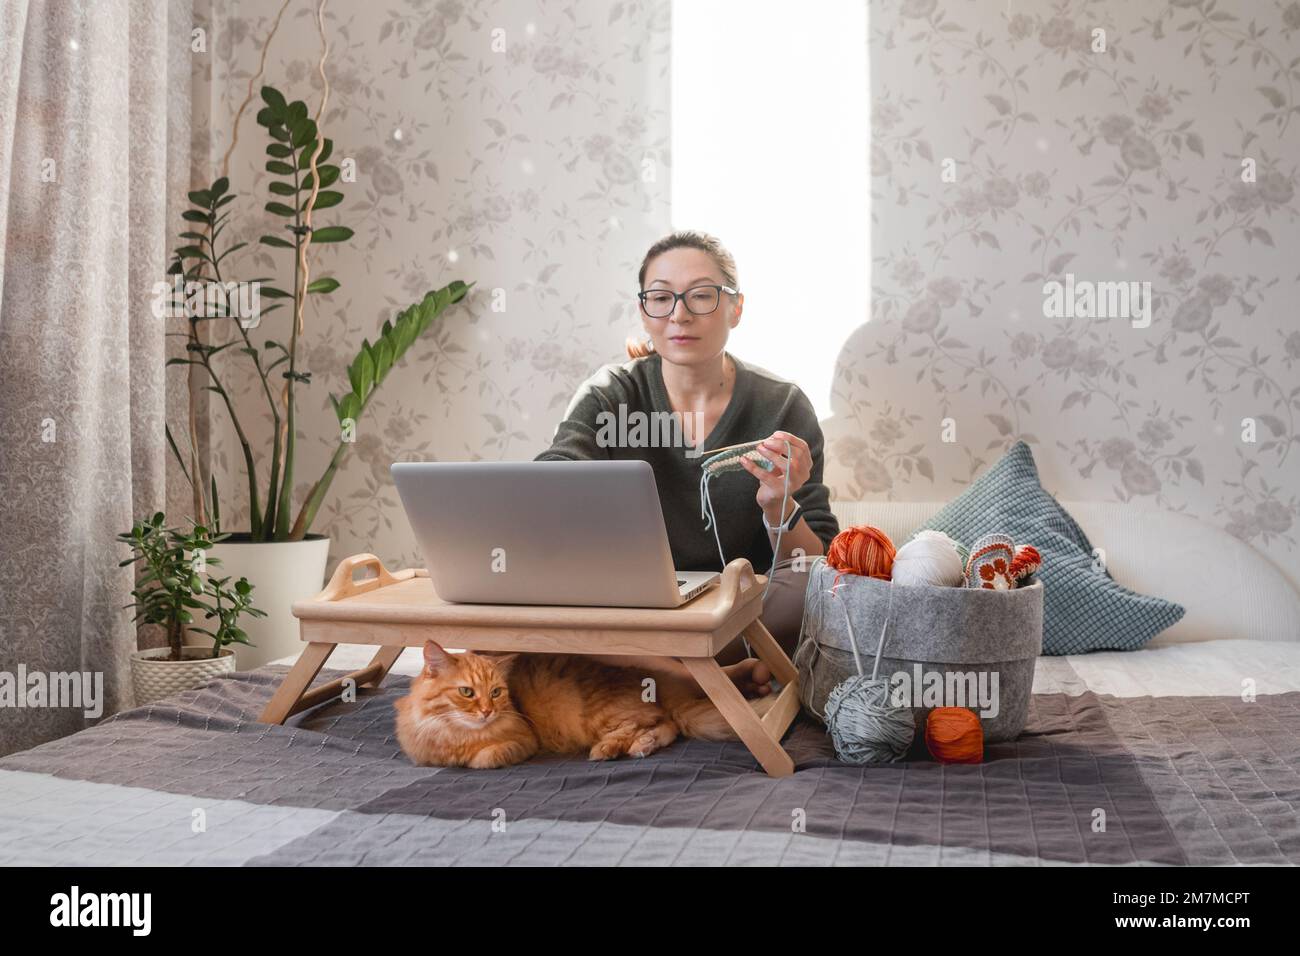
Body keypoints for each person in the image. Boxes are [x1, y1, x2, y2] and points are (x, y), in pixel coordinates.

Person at [535, 230, 840, 697]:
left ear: (736, 308)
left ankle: (651, 672)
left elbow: (814, 556)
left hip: (740, 610)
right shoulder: (611, 394)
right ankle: (693, 681)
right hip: (635, 605)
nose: (679, 314)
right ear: (644, 311)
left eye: (701, 296)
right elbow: (552, 476)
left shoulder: (783, 407)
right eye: (661, 298)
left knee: (812, 591)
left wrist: (779, 504)